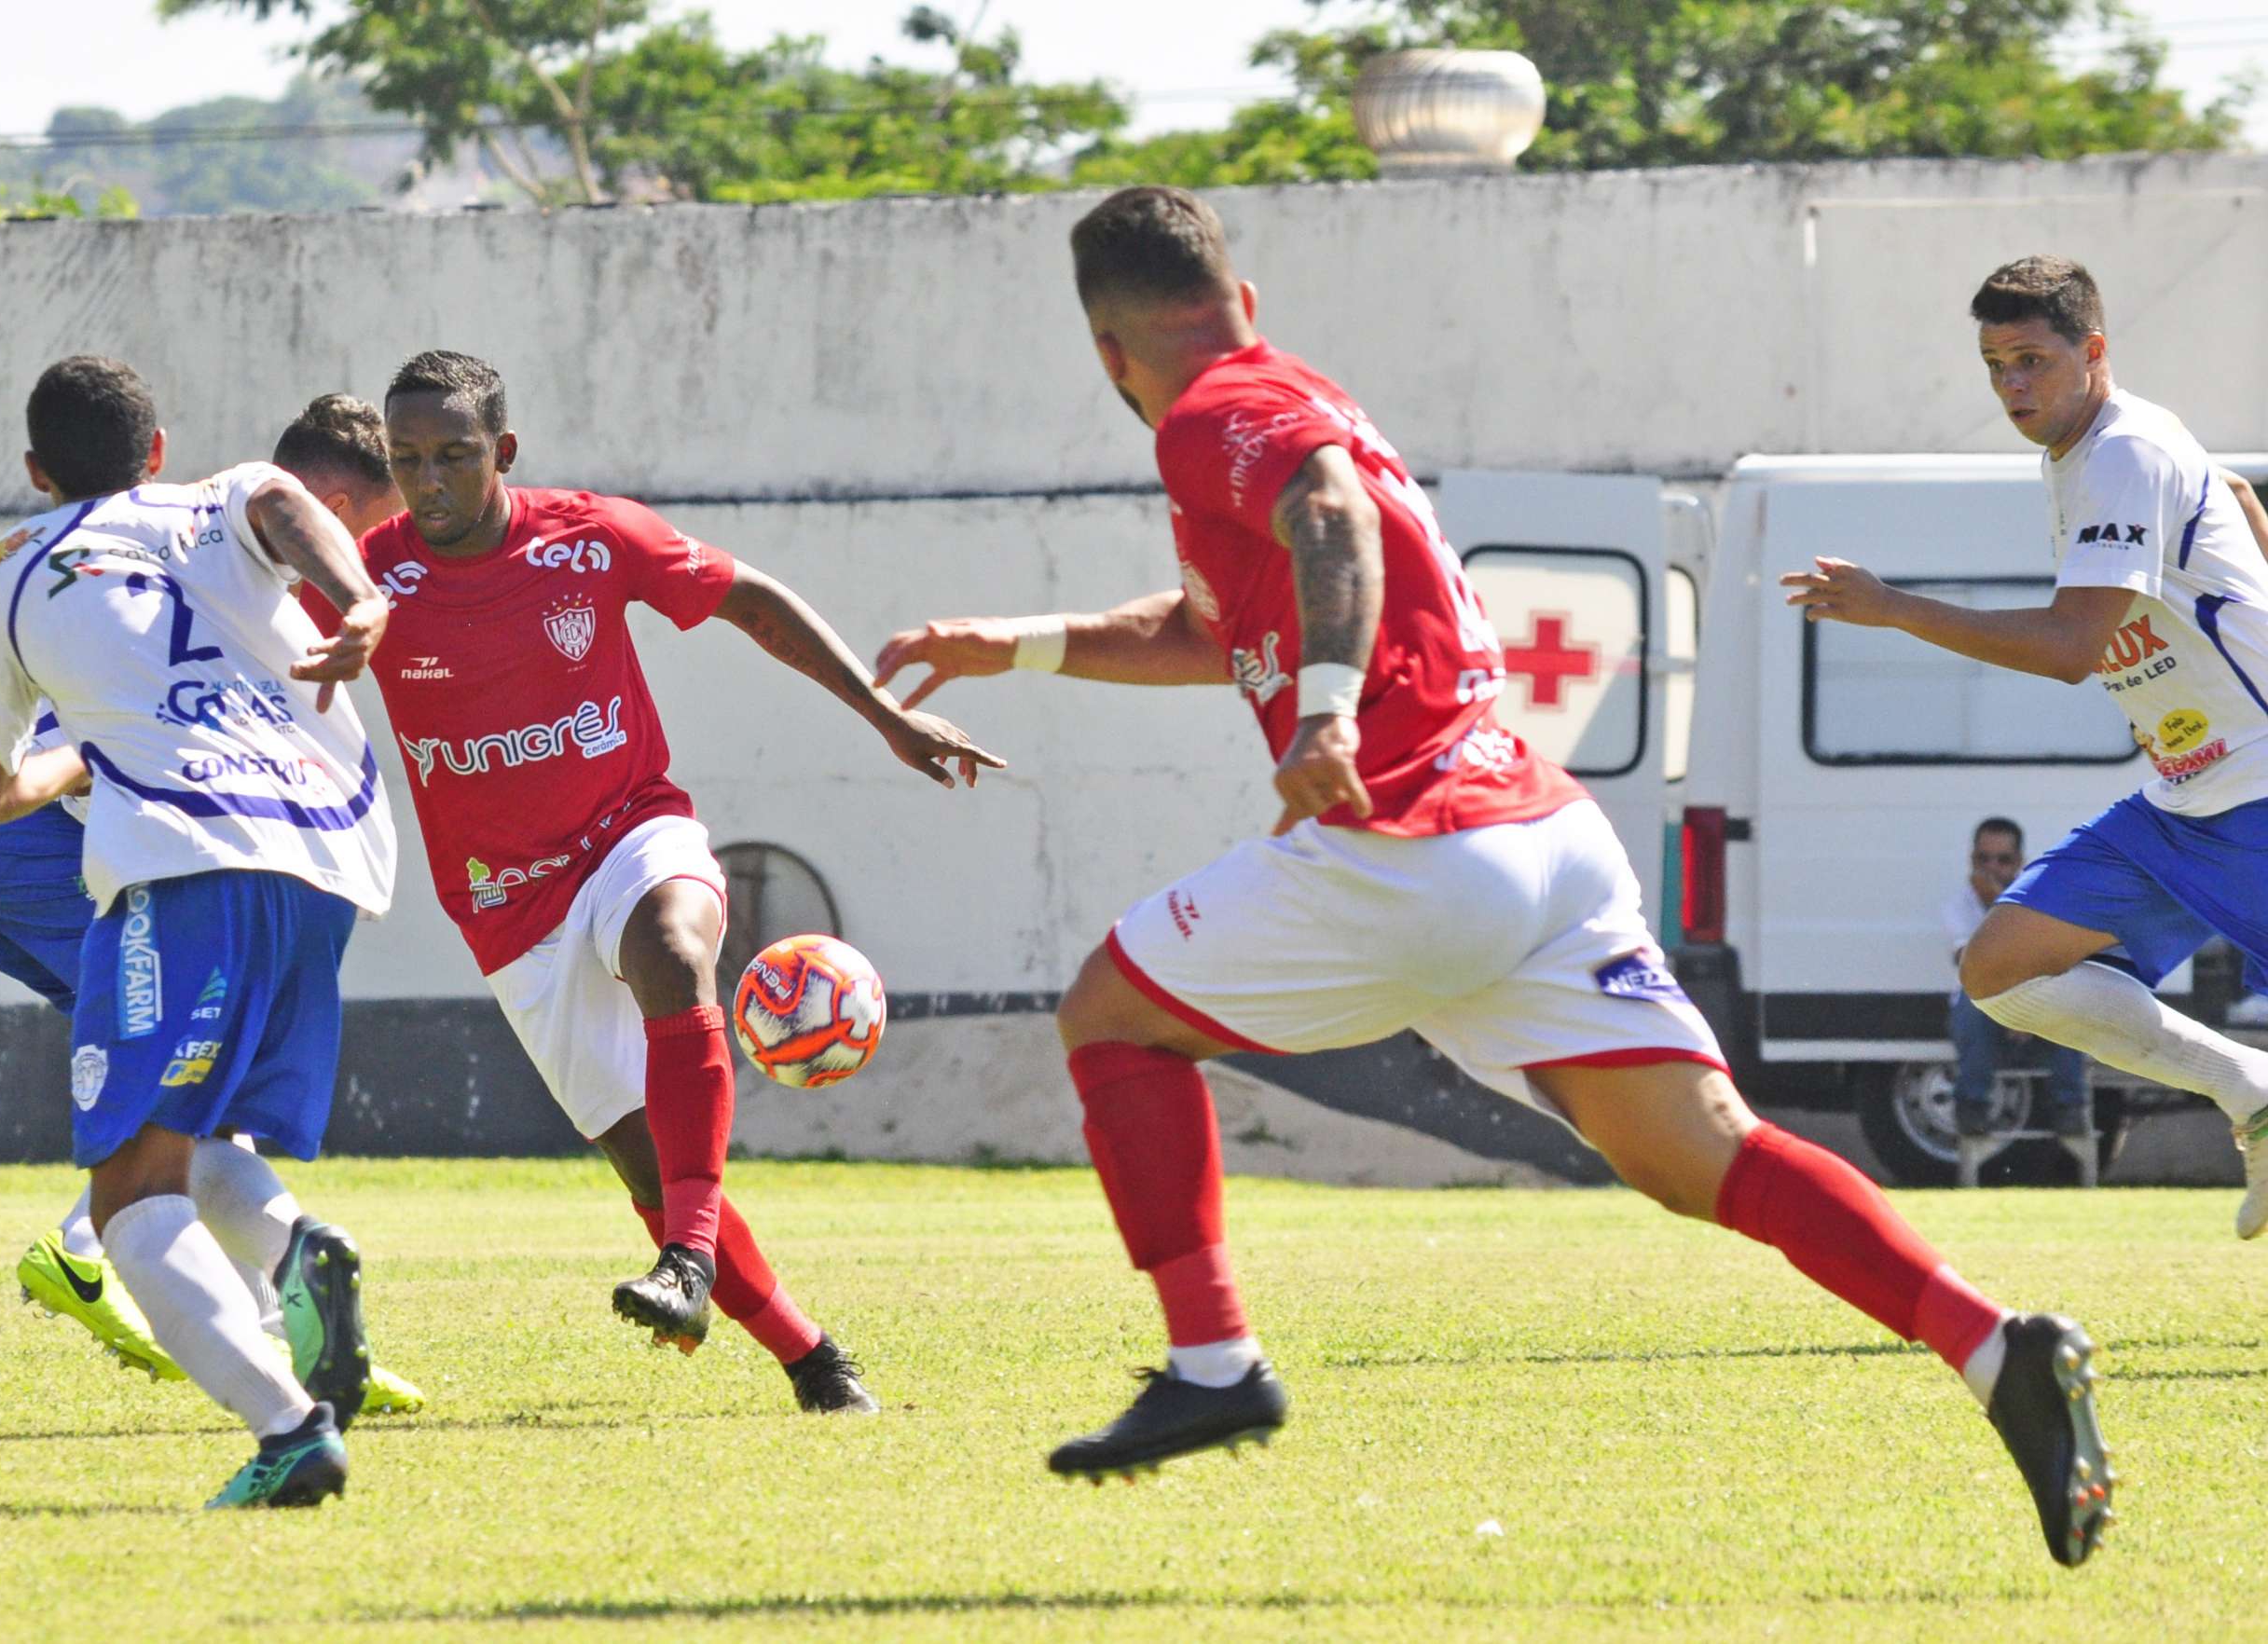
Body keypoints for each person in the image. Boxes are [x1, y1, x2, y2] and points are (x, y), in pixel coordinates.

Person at [873, 186, 2111, 1566]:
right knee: (1707, 1159)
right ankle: (1996, 1350)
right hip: (1544, 844)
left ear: (1108, 350)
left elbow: (1324, 514)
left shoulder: (1218, 415)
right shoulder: (1287, 397)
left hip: (1412, 846)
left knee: (1108, 1014)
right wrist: (1019, 643)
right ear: (1244, 301)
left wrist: (1331, 709)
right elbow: (1214, 625)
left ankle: (1214, 1362)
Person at [304, 354, 1000, 1413]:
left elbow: (751, 603)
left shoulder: (591, 537)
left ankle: (688, 1262)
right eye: (408, 461)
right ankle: (815, 1360)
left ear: (505, 452)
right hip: (504, 906)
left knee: (675, 950)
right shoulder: (367, 578)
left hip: (630, 832)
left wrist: (886, 715)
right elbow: (231, 635)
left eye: (452, 455)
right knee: (645, 1168)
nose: (430, 480)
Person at [0, 395, 425, 1415]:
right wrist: (364, 603)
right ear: (157, 454)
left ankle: (277, 1329)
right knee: (182, 1110)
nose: (362, 546)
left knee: (193, 1099)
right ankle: (159, 1279)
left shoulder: (71, 556)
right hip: (35, 833)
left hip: (24, 817)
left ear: (34, 467)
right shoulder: (222, 515)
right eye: (360, 522)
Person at [1784, 254, 2268, 1239]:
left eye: (2032, 361)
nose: (2011, 386)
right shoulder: (2096, 447)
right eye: (1994, 364)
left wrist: (1892, 609)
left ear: (2092, 353)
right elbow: (2234, 499)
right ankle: (2253, 1092)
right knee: (2000, 967)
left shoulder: (2124, 452)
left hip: (2257, 789)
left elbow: (2066, 651)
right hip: (2183, 800)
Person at [1943, 817, 2096, 1185]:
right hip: (1988, 1018)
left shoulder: (2040, 898)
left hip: (2037, 1012)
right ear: (1972, 860)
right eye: (1984, 860)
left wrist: (2024, 1014)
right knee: (1972, 999)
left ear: (2019, 862)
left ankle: (2068, 1108)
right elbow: (1971, 962)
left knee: (2067, 998)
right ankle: (1973, 1107)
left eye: (2003, 860)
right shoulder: (1959, 905)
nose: (1992, 869)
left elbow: (2056, 959)